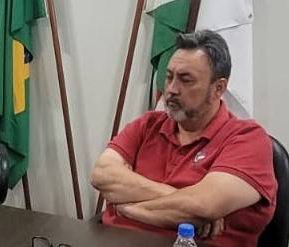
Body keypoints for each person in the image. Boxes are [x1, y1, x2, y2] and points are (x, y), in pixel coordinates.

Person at [90, 30, 276, 247]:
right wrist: (178, 199)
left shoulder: (248, 139)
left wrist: (126, 208)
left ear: (218, 88)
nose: (171, 89)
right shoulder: (149, 124)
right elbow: (102, 175)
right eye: (169, 77)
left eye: (185, 80)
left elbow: (201, 206)